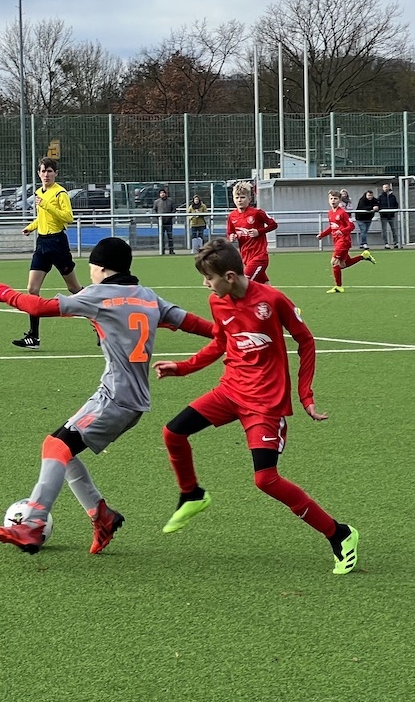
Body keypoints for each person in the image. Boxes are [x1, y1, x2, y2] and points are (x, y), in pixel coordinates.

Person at [0, 238, 215, 555]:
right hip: (126, 397)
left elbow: (38, 307)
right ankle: (101, 515)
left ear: (102, 268)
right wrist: (227, 331)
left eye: (91, 267)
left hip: (116, 398)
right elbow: (191, 323)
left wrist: (4, 292)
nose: (89, 273)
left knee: (56, 447)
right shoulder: (147, 296)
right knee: (61, 448)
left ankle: (32, 523)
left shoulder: (98, 295)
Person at [154, 238, 360, 576]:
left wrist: (305, 395)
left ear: (229, 276)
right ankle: (191, 494)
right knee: (173, 432)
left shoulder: (272, 300)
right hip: (230, 391)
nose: (205, 284)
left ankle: (339, 534)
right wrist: (184, 367)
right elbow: (222, 342)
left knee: (266, 479)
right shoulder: (217, 301)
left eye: (209, 278)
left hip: (265, 403)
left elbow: (306, 341)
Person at [12, 157, 82, 350]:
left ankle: (101, 322)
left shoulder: (60, 193)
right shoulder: (38, 193)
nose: (46, 174)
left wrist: (47, 205)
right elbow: (43, 218)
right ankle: (33, 336)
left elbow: (68, 217)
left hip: (57, 243)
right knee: (32, 289)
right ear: (38, 173)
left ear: (56, 173)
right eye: (43, 171)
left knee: (74, 288)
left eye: (50, 171)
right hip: (42, 244)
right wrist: (31, 227)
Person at [317, 189, 375, 293]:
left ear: (339, 200)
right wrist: (322, 234)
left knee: (334, 262)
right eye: (331, 198)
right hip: (337, 241)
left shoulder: (342, 213)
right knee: (343, 264)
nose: (333, 200)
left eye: (335, 198)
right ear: (328, 200)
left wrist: (342, 231)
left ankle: (338, 287)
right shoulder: (330, 213)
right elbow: (332, 227)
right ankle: (363, 256)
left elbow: (351, 226)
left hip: (343, 241)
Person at [225, 181, 277, 283]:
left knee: (243, 283)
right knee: (264, 286)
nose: (239, 200)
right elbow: (230, 232)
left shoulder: (257, 213)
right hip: (246, 258)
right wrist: (231, 237)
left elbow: (273, 224)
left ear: (249, 199)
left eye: (243, 197)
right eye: (237, 197)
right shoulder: (232, 216)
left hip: (259, 257)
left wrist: (259, 231)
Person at [153, 187, 177, 255]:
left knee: (170, 236)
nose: (162, 194)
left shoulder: (170, 201)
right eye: (161, 193)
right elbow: (154, 210)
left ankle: (171, 250)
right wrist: (158, 217)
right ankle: (162, 250)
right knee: (161, 237)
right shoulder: (157, 202)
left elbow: (174, 209)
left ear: (166, 194)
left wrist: (170, 216)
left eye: (163, 193)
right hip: (161, 222)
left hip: (169, 221)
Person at [377, 182, 400, 248]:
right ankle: (386, 243)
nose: (386, 188)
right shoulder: (380, 197)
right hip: (384, 216)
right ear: (382, 188)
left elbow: (396, 204)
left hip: (391, 216)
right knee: (384, 230)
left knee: (394, 229)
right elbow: (378, 205)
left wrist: (393, 210)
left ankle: (396, 243)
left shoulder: (393, 196)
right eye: (385, 187)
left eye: (387, 187)